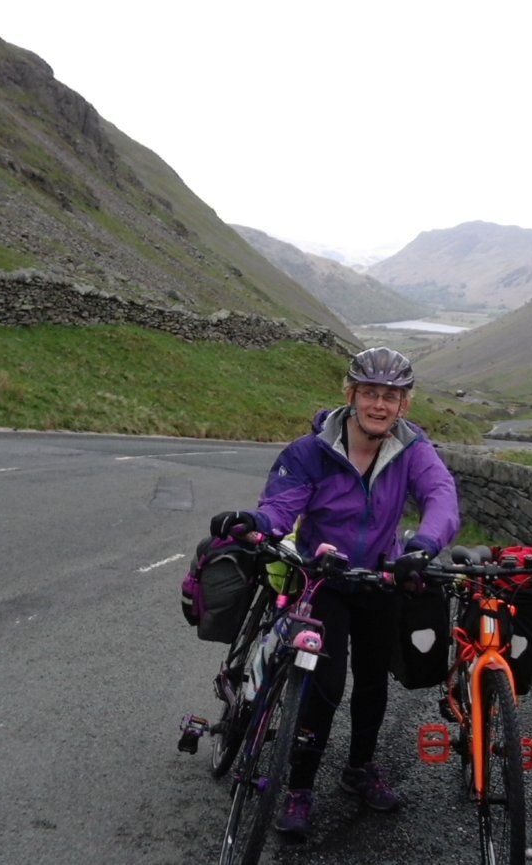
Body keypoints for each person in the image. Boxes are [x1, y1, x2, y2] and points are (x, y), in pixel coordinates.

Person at [209, 346, 460, 836]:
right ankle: (300, 787)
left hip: (380, 578)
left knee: (372, 682)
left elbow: (441, 496)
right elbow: (282, 505)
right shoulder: (312, 450)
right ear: (351, 395)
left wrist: (425, 545)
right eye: (370, 393)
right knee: (324, 684)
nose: (380, 405)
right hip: (322, 577)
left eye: (391, 396)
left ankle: (359, 769)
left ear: (404, 403)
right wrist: (256, 522)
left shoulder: (412, 448)